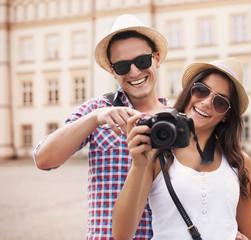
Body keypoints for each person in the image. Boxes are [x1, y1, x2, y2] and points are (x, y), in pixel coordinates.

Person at [33, 14, 169, 239]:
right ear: (112, 70)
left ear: (156, 58)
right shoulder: (98, 110)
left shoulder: (179, 118)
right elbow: (44, 159)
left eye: (142, 61)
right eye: (123, 66)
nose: (134, 72)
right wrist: (95, 117)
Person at [112, 58, 251, 240]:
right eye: (201, 90)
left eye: (220, 102)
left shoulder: (239, 162)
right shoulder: (157, 154)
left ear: (226, 116)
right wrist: (137, 165)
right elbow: (121, 234)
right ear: (189, 91)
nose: (206, 102)